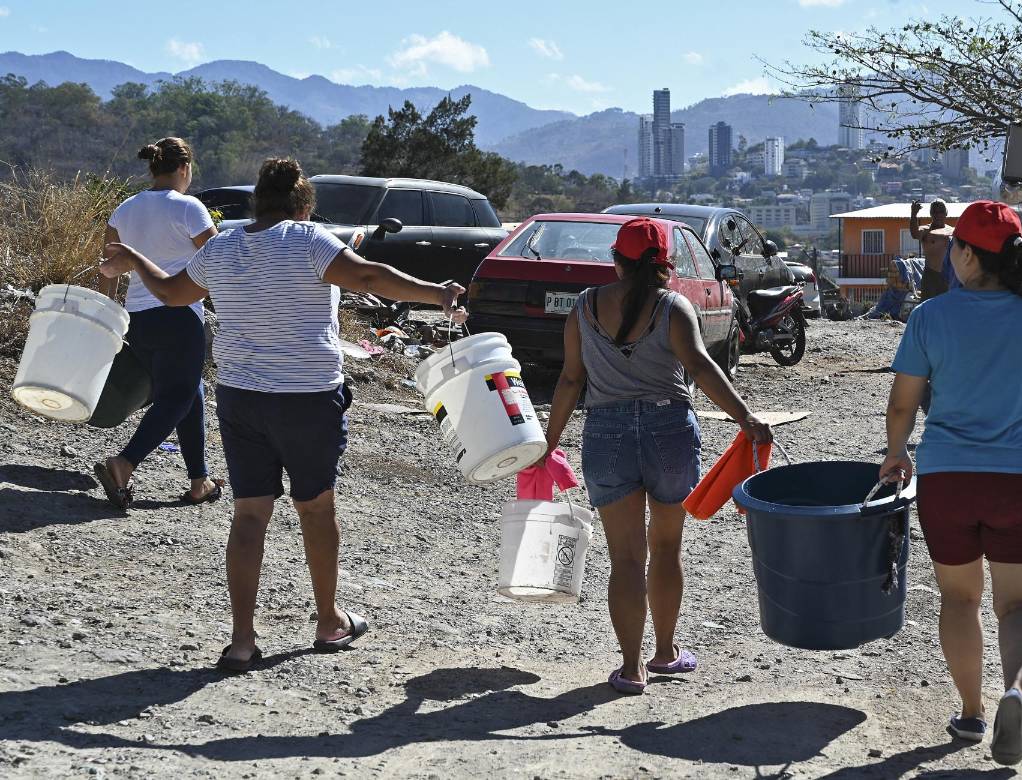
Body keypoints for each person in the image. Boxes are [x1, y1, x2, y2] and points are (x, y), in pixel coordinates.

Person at [99, 158, 468, 672]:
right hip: (306, 398)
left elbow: (170, 293)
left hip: (240, 398)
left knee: (250, 515)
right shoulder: (308, 239)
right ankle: (328, 622)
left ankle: (242, 641)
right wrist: (437, 293)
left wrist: (135, 257)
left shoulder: (222, 247)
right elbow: (369, 276)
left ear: (257, 202)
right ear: (303, 205)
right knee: (315, 509)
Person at [880, 201, 1022, 765]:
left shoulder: (930, 317)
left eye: (953, 248)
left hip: (949, 479)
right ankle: (1016, 692)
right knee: (1021, 605)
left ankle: (970, 713)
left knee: (960, 599)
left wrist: (896, 453)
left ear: (966, 255)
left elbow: (903, 403)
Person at [542, 217, 772, 695]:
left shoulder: (583, 308)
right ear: (664, 263)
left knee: (625, 558)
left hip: (607, 434)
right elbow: (700, 368)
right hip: (669, 430)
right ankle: (665, 653)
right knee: (666, 548)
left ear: (616, 260)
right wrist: (745, 418)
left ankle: (631, 669)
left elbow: (570, 379)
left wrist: (549, 442)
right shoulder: (674, 307)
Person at [94, 137, 223, 508]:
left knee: (190, 390)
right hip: (178, 316)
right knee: (177, 395)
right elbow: (218, 258)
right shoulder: (188, 207)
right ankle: (124, 463)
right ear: (184, 168)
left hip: (138, 319)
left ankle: (199, 481)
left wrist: (107, 316)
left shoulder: (124, 209)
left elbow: (108, 269)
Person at [910, 199, 953, 300]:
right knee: (929, 307)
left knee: (949, 307)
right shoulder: (926, 230)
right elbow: (915, 234)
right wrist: (913, 215)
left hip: (950, 277)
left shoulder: (952, 231)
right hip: (931, 277)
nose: (938, 215)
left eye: (941, 211)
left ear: (946, 213)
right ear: (931, 214)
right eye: (935, 212)